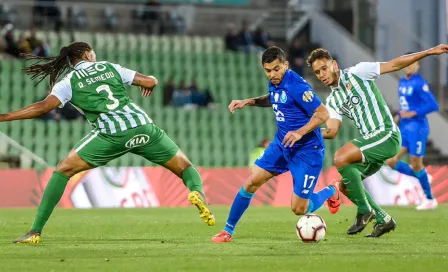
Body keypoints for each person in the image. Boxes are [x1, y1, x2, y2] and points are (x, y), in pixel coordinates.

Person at [0, 41, 215, 244]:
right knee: (186, 167)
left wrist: (5, 117)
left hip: (110, 135)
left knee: (62, 171)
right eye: (92, 52)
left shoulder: (68, 82)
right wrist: (150, 82)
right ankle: (198, 193)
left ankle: (35, 231)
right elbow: (150, 81)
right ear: (87, 54)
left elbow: (43, 107)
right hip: (143, 127)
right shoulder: (109, 67)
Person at [307, 45, 448, 237]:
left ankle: (366, 210)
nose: (321, 74)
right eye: (317, 72)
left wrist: (429, 52)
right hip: (373, 142)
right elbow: (331, 131)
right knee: (346, 185)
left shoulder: (359, 72)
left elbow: (394, 64)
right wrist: (305, 133)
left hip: (387, 134)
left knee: (340, 157)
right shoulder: (333, 100)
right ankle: (384, 219)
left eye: (324, 68)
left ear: (334, 64)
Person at [211, 46, 341, 243]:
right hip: (281, 145)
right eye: (268, 70)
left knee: (299, 209)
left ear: (286, 65)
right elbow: (274, 99)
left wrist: (299, 132)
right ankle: (227, 231)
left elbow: (323, 114)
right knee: (252, 181)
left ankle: (332, 191)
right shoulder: (276, 82)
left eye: (276, 69)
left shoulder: (297, 85)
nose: (272, 74)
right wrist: (248, 101)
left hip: (307, 151)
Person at [386, 55, 439, 210]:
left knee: (416, 163)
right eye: (407, 63)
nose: (409, 66)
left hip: (418, 128)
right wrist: (399, 115)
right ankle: (421, 176)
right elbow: (406, 105)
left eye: (413, 64)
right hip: (404, 128)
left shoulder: (419, 83)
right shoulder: (402, 82)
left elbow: (433, 105)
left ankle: (430, 199)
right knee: (391, 161)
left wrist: (414, 112)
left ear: (418, 66)